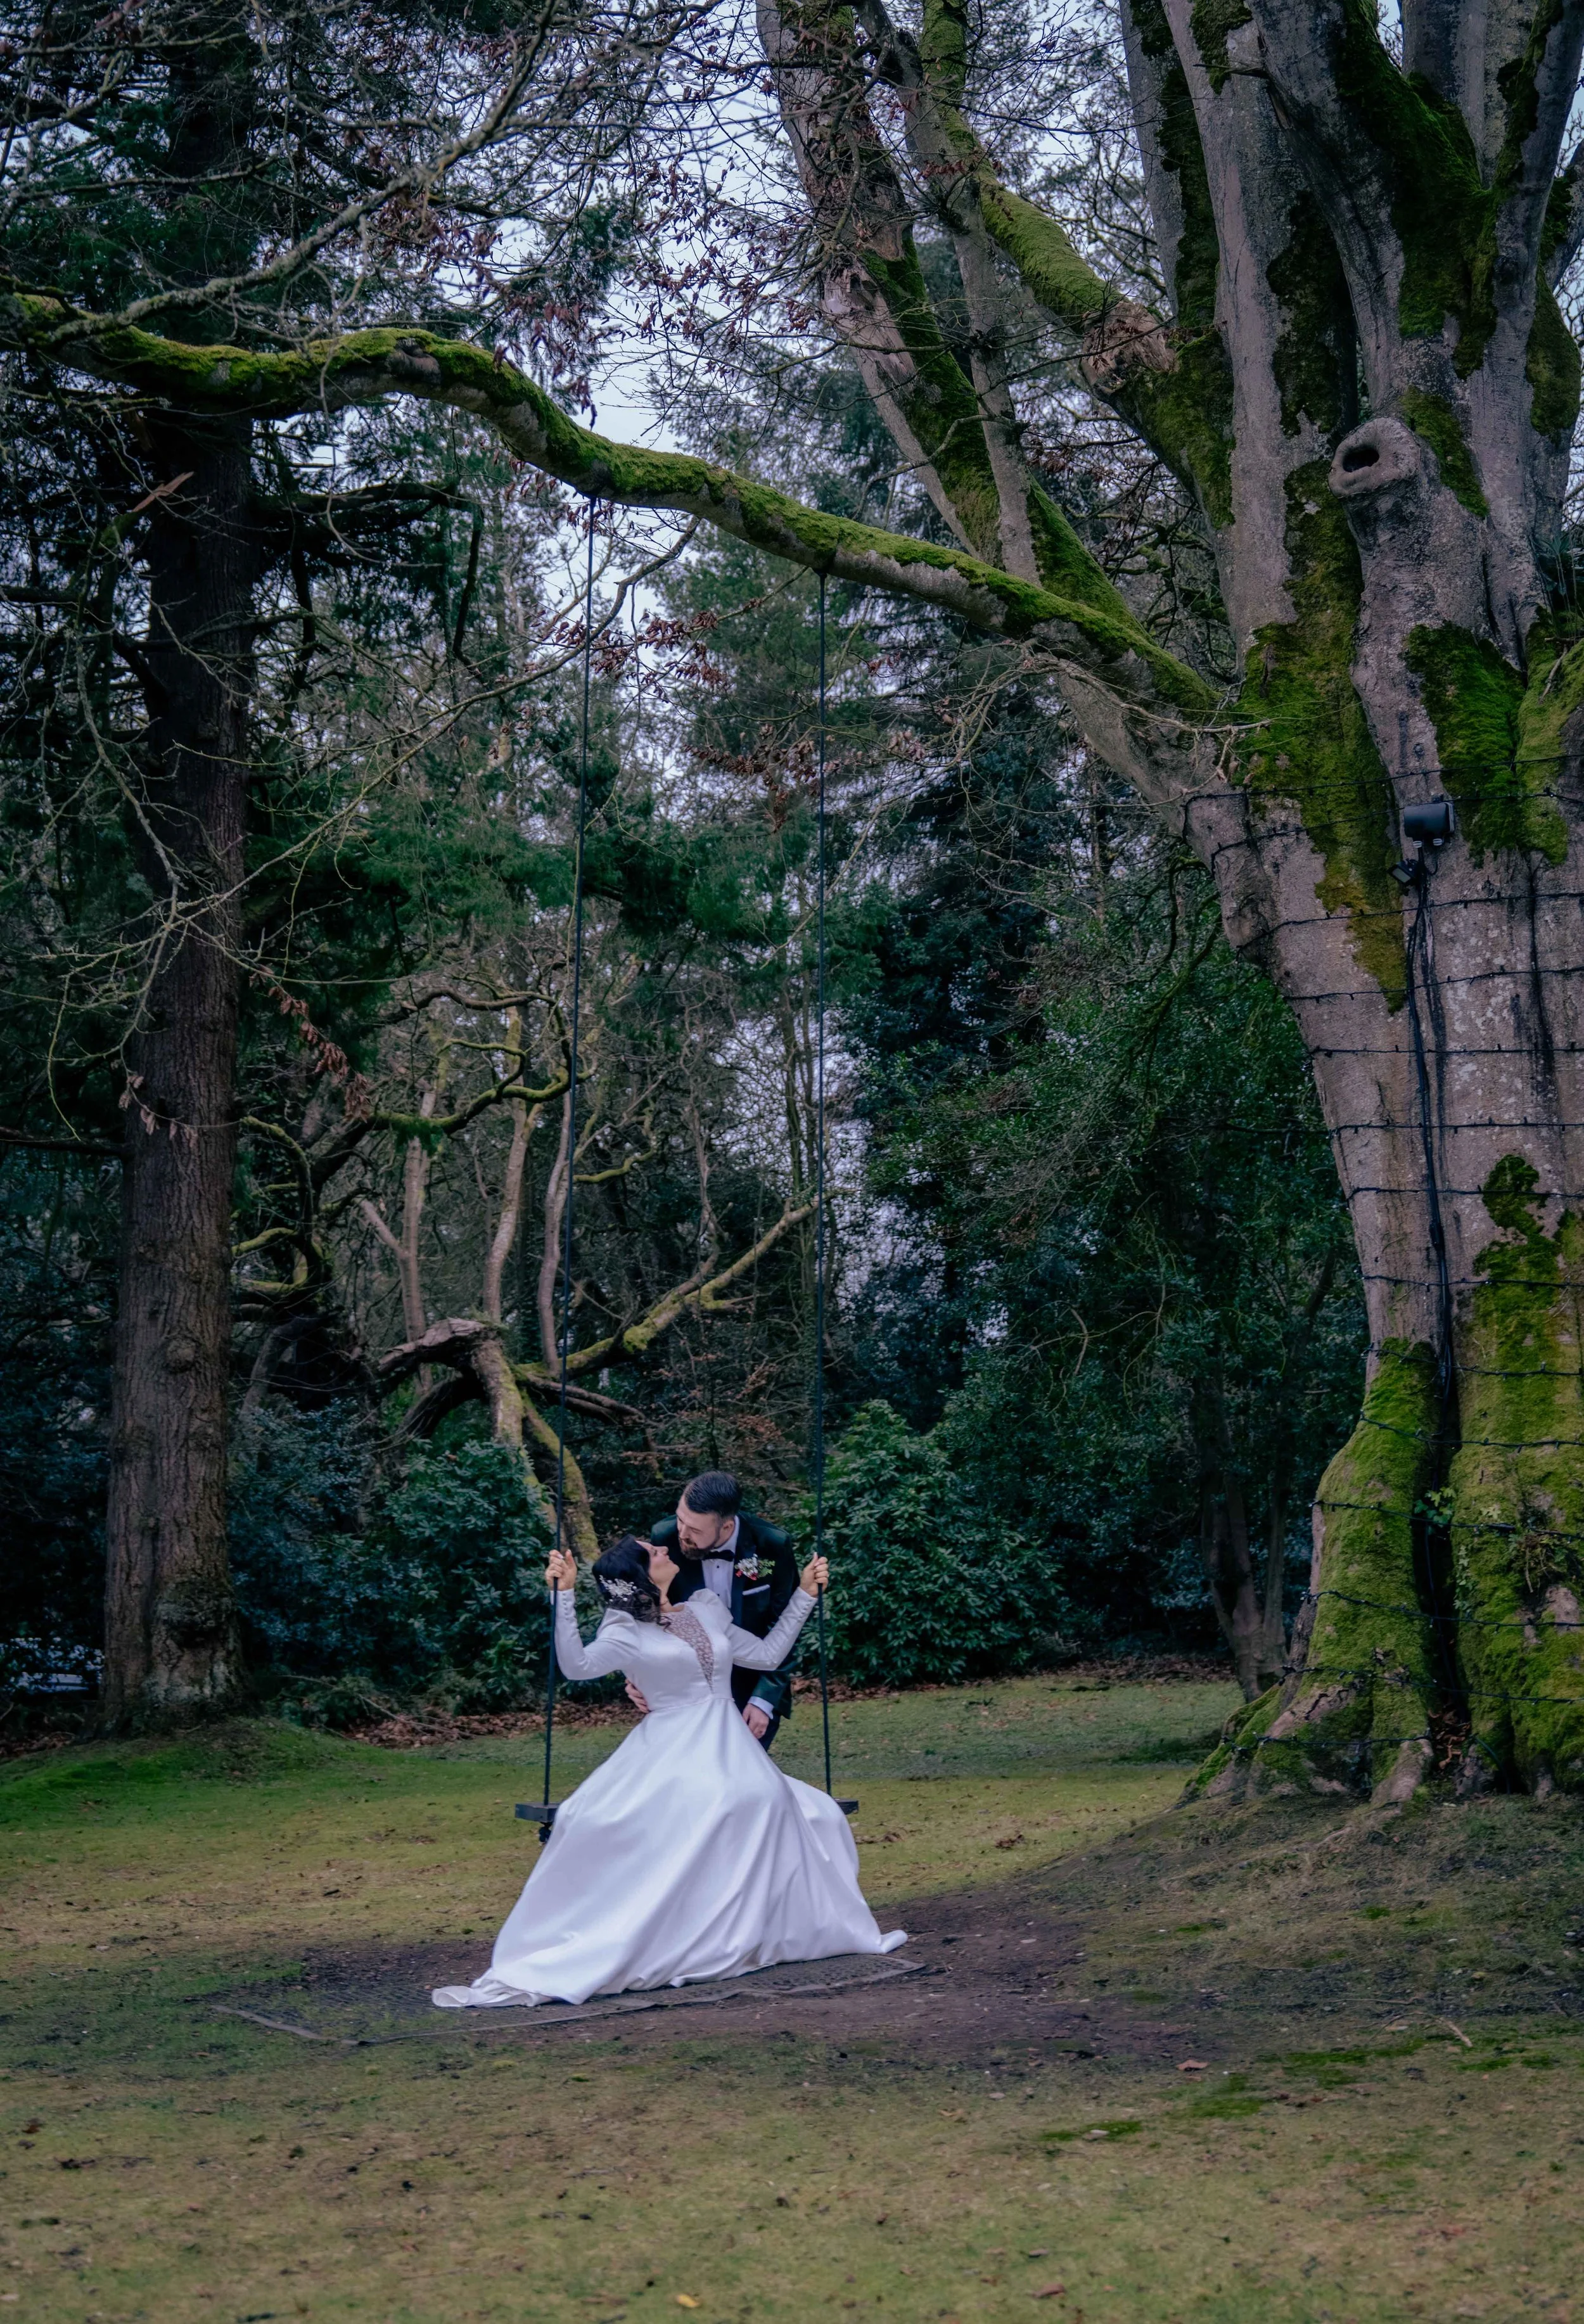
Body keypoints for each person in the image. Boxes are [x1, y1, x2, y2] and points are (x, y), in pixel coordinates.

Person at [431, 1532, 903, 2009]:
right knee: (709, 1806)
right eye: (654, 1553)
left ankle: (760, 1926)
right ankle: (689, 1929)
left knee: (800, 1808)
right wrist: (563, 1597)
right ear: (642, 1575)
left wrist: (804, 1594)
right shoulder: (625, 1631)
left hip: (727, 1742)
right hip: (670, 1747)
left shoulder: (704, 1608)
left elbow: (768, 1656)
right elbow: (576, 1667)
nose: (665, 1551)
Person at [641, 1471, 802, 1746]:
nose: (682, 1533)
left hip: (753, 1686)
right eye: (680, 1519)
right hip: (688, 1691)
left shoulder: (771, 1545)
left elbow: (786, 1623)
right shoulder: (664, 1538)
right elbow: (653, 1616)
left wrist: (764, 1698)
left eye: (695, 1530)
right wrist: (640, 1678)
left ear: (726, 1528)